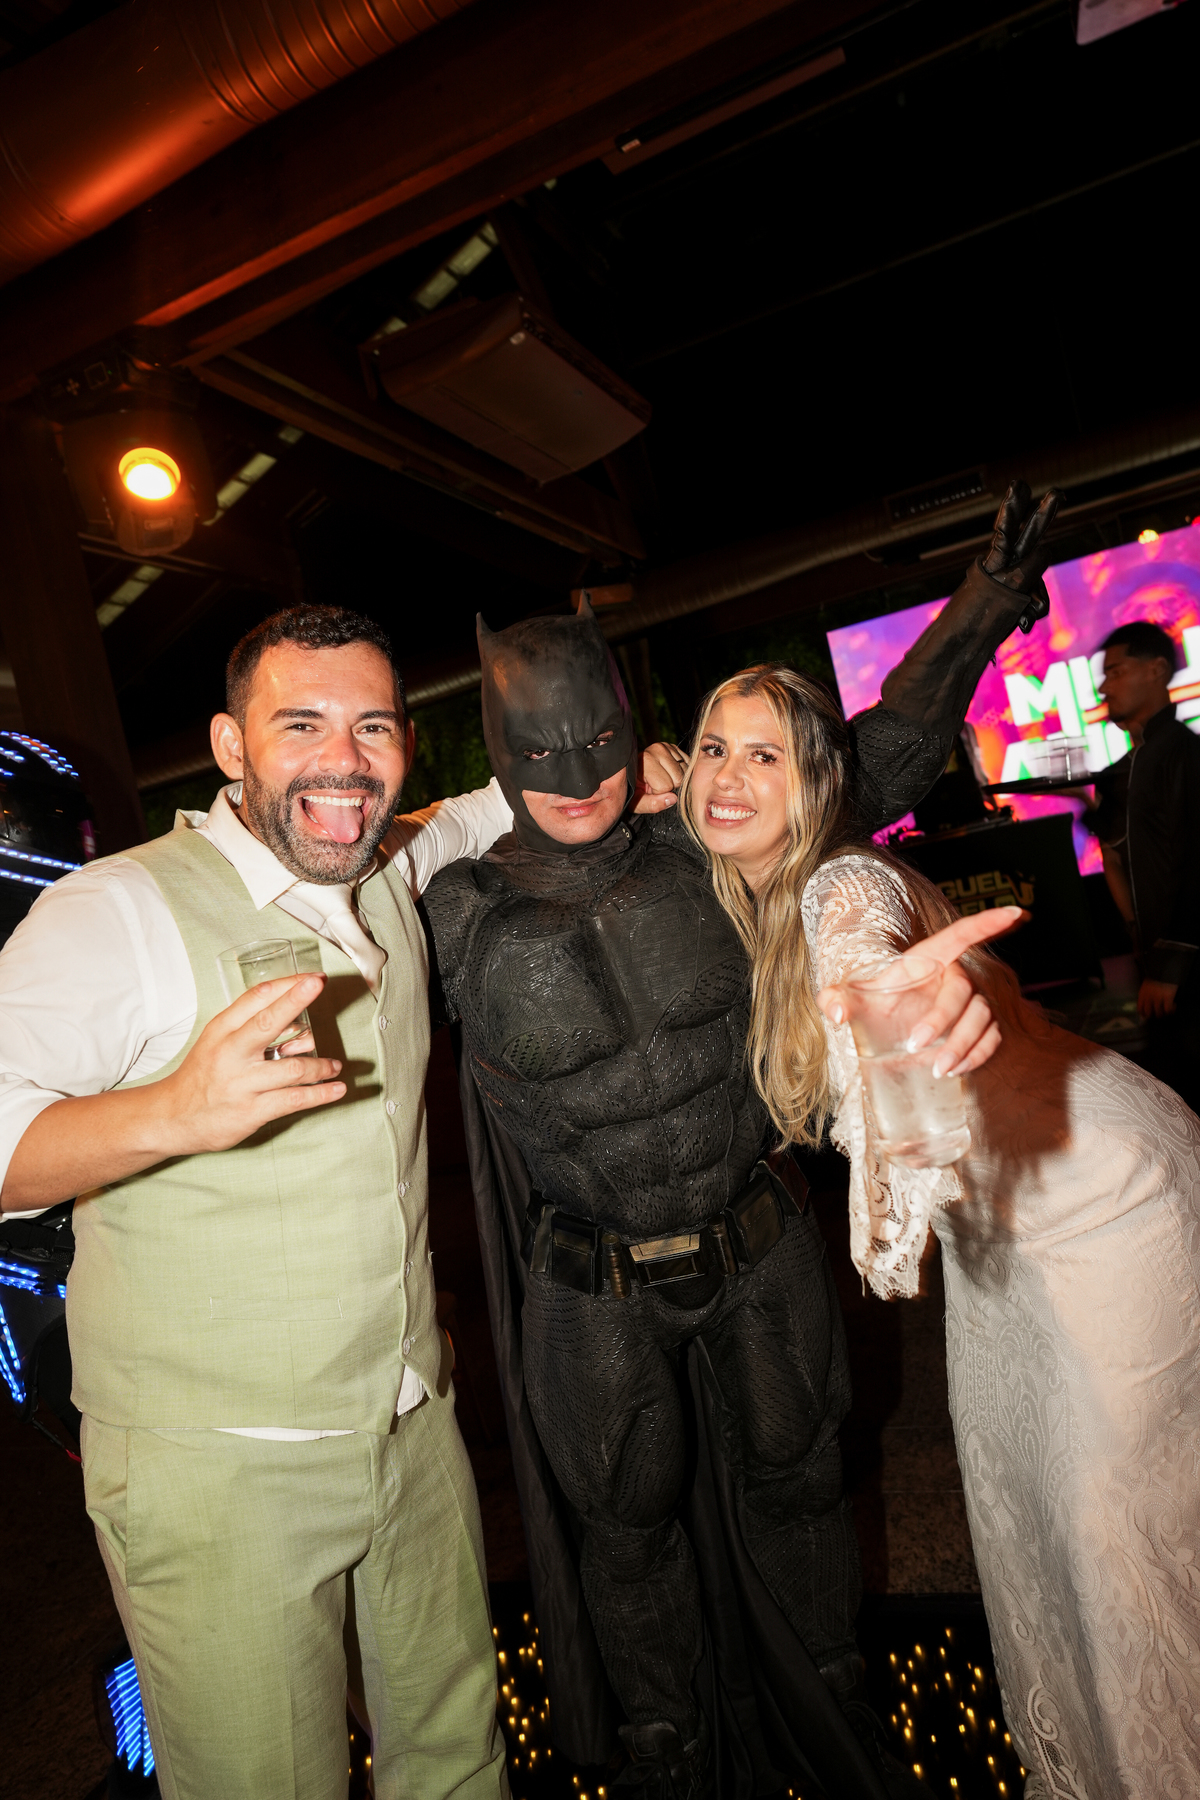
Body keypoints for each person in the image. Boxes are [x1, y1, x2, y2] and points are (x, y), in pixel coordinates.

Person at [422, 482, 1060, 1800]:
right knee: (626, 1537)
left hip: (754, 1237)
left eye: (601, 742)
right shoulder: (453, 911)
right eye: (539, 751)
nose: (579, 777)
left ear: (633, 728)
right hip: (591, 1281)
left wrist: (985, 603)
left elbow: (870, 760)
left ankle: (833, 1732)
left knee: (802, 1491)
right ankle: (673, 1760)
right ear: (496, 750)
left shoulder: (699, 853)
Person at [0, 605, 537, 1800]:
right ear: (230, 746)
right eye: (301, 726)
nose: (344, 759)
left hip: (411, 1425)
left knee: (459, 1761)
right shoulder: (117, 912)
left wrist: (627, 770)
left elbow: (477, 813)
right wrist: (172, 1112)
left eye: (373, 727)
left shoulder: (384, 861)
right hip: (220, 1471)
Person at [682, 661, 1200, 1800]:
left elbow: (868, 958)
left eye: (767, 755)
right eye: (715, 748)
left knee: (1119, 1539)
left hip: (1103, 1201)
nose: (728, 776)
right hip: (1004, 1234)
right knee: (1034, 1519)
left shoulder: (839, 886)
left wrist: (906, 1011)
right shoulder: (758, 890)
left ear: (820, 784)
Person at [1088, 619, 1200, 1110]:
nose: (1103, 686)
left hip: (1188, 967)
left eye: (1115, 671)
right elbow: (1117, 859)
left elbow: (1195, 864)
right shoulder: (1121, 771)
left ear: (1157, 670)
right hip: (1153, 960)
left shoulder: (1187, 754)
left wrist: (1168, 966)